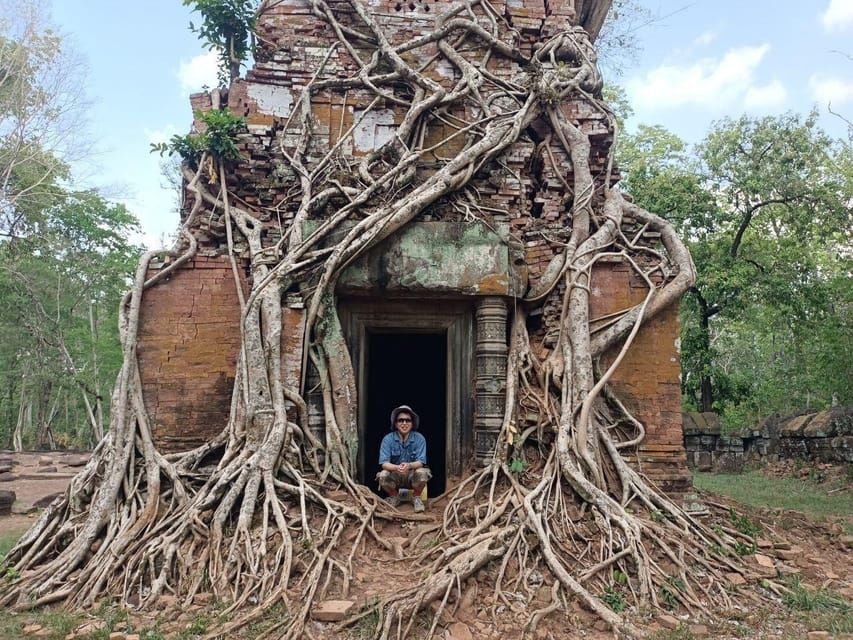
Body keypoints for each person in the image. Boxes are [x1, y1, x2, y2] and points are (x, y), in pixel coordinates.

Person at [376, 405, 432, 512]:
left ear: (412, 423)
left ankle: (416, 498)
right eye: (401, 420)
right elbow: (384, 463)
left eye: (408, 420)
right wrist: (397, 468)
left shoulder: (419, 438)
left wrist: (409, 466)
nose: (404, 423)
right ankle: (395, 497)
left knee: (422, 472)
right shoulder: (387, 439)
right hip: (395, 475)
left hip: (412, 475)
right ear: (396, 423)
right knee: (382, 475)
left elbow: (421, 461)